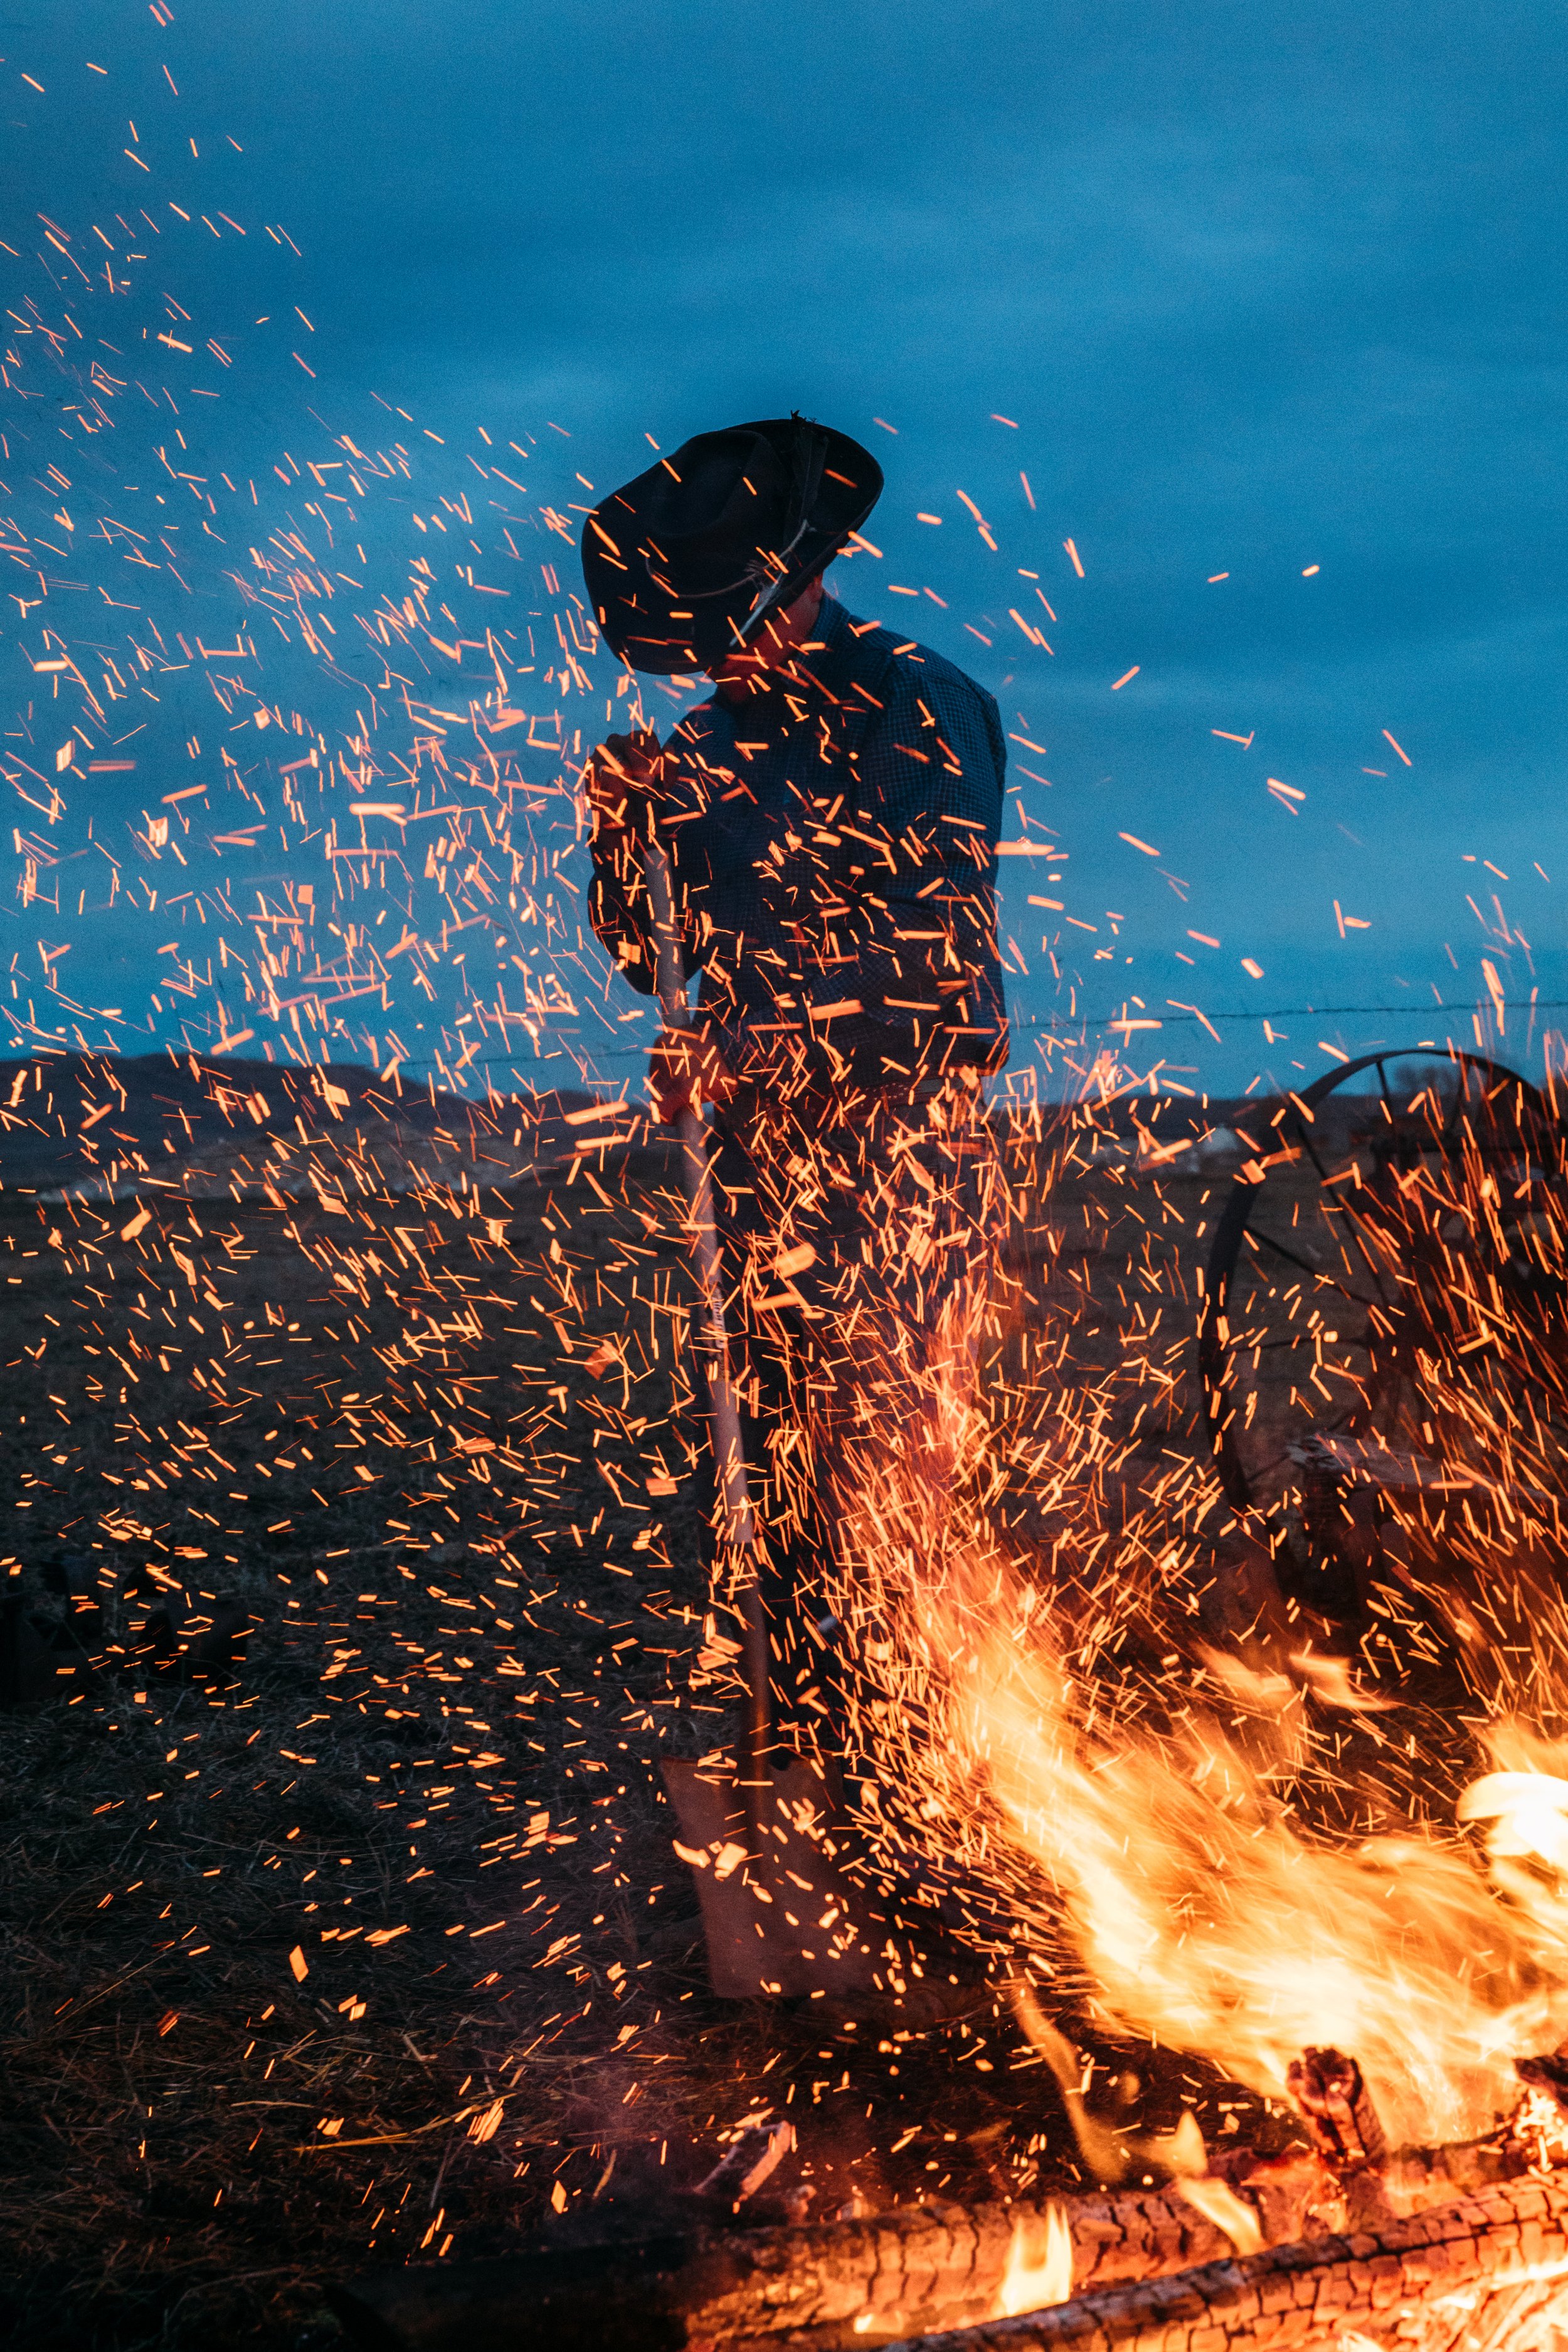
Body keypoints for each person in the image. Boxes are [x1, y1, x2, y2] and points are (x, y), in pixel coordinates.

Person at [580, 413, 1008, 1828]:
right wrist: (619, 839)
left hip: (906, 1161)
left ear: (792, 582)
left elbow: (942, 980)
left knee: (884, 1471)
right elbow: (655, 959)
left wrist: (756, 1042)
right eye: (692, 648)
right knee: (764, 1474)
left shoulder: (919, 708)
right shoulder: (705, 740)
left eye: (725, 633)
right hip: (760, 1180)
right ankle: (810, 1764)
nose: (711, 667)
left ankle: (943, 1779)